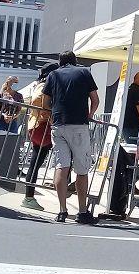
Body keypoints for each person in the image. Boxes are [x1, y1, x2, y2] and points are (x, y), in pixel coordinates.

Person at [42, 51, 100, 224]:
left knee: (61, 167)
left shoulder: (53, 75)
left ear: (60, 62)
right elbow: (95, 99)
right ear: (75, 61)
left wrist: (51, 117)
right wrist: (90, 114)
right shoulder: (84, 73)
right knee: (81, 170)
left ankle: (62, 211)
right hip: (78, 125)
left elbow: (46, 103)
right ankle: (82, 212)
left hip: (59, 125)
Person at [103, 71, 139, 220]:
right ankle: (130, 183)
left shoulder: (128, 91)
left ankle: (130, 183)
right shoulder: (138, 93)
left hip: (125, 126)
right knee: (132, 158)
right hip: (133, 127)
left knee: (131, 156)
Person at [21, 62, 58, 211]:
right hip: (41, 126)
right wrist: (48, 112)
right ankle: (28, 197)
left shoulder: (40, 84)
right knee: (36, 162)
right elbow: (38, 101)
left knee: (36, 162)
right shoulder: (44, 86)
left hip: (38, 125)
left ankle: (29, 196)